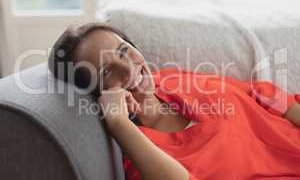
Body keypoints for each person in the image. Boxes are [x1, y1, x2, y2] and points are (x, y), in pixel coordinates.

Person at [48, 22, 300, 180]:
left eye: (124, 50)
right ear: (97, 93)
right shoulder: (135, 149)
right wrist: (117, 123)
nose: (128, 68)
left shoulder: (170, 80)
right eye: (106, 71)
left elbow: (262, 93)